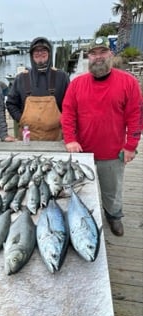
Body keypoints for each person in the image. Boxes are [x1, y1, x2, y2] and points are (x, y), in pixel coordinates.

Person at [61, 36, 142, 236]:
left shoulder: (128, 82)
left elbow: (136, 115)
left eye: (102, 52)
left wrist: (131, 145)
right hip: (81, 151)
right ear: (88, 57)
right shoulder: (77, 83)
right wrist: (70, 139)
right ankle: (83, 217)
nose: (98, 57)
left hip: (112, 152)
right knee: (80, 188)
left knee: (112, 190)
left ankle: (114, 216)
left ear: (111, 55)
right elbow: (68, 113)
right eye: (93, 53)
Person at [6, 36, 70, 141]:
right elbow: (11, 103)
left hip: (55, 137)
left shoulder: (62, 77)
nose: (40, 53)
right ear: (31, 55)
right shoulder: (21, 78)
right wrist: (21, 119)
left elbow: (70, 106)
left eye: (44, 50)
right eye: (36, 50)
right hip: (28, 138)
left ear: (50, 53)